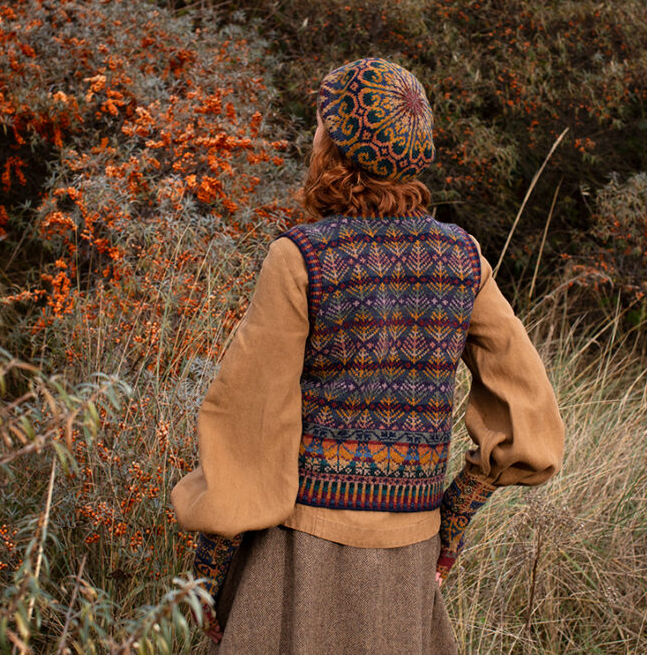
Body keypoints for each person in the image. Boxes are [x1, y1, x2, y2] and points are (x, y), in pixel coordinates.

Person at [170, 57, 564, 654]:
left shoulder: (301, 258)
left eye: (321, 124)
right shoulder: (462, 260)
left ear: (334, 146)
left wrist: (206, 580)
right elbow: (531, 424)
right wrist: (449, 527)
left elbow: (244, 434)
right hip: (408, 564)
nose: (314, 135)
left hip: (295, 559)